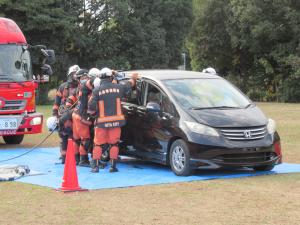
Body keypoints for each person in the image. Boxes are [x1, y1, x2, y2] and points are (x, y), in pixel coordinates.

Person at [87, 68, 138, 173]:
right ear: (111, 77)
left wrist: (95, 114)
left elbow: (91, 108)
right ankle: (113, 167)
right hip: (116, 123)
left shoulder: (96, 91)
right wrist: (134, 78)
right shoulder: (119, 88)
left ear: (100, 78)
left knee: (98, 144)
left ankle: (95, 167)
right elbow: (129, 84)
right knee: (114, 144)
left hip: (101, 124)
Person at [72, 68, 101, 166]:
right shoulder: (87, 87)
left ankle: (76, 159)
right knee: (86, 139)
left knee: (77, 140)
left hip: (76, 114)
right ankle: (83, 160)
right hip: (81, 116)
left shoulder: (81, 86)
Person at [52, 65, 80, 164]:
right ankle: (65, 157)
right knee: (66, 136)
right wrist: (55, 115)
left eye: (76, 74)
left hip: (75, 115)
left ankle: (74, 157)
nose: (75, 76)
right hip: (65, 116)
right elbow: (57, 102)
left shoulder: (81, 86)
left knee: (75, 137)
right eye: (74, 74)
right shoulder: (63, 87)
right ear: (70, 75)